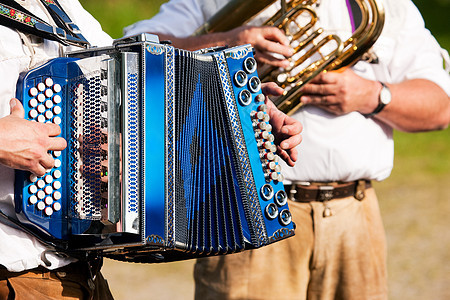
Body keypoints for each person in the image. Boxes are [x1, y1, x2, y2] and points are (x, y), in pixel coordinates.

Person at [124, 0, 450, 299]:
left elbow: (440, 108)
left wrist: (370, 94)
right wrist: (229, 42)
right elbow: (136, 48)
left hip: (356, 217)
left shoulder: (385, 6)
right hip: (250, 214)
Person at [0, 1, 301, 299]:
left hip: (77, 272)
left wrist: (242, 116)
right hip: (13, 272)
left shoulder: (61, 8)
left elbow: (145, 83)